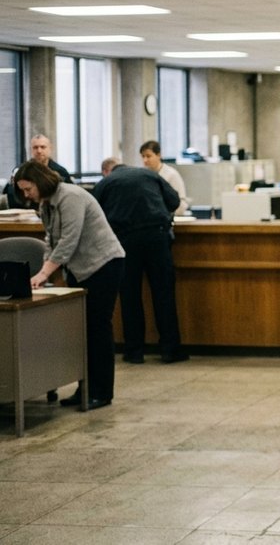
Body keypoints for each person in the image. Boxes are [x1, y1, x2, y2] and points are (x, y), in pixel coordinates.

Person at [14, 160, 124, 410]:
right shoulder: (46, 204)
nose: (26, 194)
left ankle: (101, 392)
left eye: (28, 188)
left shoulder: (70, 196)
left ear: (40, 182)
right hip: (79, 268)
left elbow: (69, 240)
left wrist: (44, 273)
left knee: (97, 328)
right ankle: (84, 389)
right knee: (82, 331)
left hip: (103, 265)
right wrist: (45, 271)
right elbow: (51, 241)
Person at [95, 158, 188, 364]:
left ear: (107, 171)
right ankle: (170, 350)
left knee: (130, 296)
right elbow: (174, 202)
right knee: (164, 294)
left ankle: (134, 351)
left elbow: (95, 214)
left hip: (125, 240)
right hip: (157, 237)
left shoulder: (105, 183)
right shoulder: (150, 174)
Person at [5, 134, 73, 209]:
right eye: (35, 147)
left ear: (50, 148)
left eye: (43, 147)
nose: (39, 151)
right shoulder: (20, 170)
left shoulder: (60, 171)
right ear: (30, 150)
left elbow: (68, 194)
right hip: (25, 209)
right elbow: (11, 193)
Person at [139, 140, 189, 215]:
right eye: (143, 156)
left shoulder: (171, 175)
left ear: (158, 155)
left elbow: (181, 203)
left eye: (148, 156)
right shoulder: (143, 176)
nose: (145, 160)